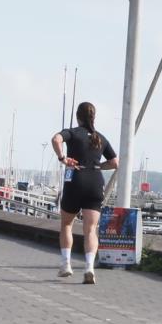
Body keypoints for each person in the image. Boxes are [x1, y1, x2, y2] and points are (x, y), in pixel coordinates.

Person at [51, 101, 119, 284]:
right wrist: (97, 167)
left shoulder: (73, 132)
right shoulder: (100, 138)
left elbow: (56, 139)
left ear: (77, 116)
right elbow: (115, 163)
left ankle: (66, 264)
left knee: (67, 224)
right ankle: (89, 267)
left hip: (75, 178)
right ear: (93, 117)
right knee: (90, 229)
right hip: (95, 182)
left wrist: (63, 158)